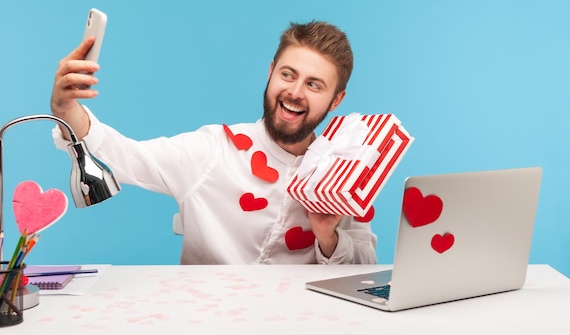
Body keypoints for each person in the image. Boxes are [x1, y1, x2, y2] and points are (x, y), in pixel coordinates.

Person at [51, 21, 377, 265]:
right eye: (288, 75)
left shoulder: (343, 171)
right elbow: (125, 156)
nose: (295, 92)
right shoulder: (214, 149)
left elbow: (366, 269)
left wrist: (327, 236)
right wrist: (66, 109)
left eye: (314, 85)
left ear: (337, 100)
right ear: (271, 71)